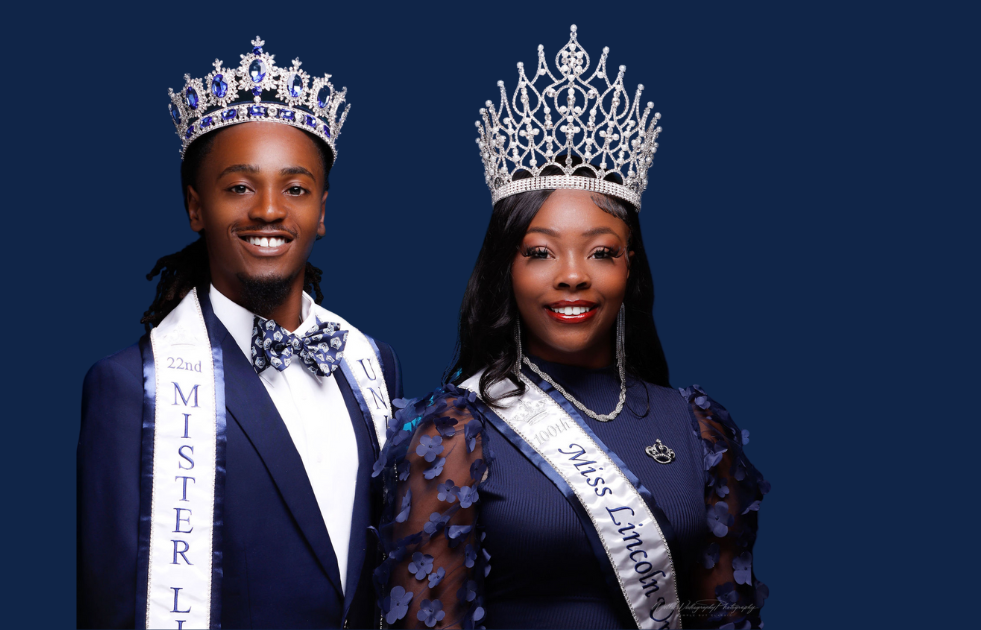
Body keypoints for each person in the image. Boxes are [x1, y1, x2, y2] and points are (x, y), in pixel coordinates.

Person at [372, 26, 768, 629]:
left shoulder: (699, 431)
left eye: (601, 253)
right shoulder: (454, 431)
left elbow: (720, 616)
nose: (573, 276)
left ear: (629, 268)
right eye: (541, 252)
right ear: (506, 267)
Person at [77, 36, 402, 629]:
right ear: (196, 208)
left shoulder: (371, 362)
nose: (269, 210)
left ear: (322, 212)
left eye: (295, 188)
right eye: (240, 187)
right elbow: (113, 606)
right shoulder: (129, 387)